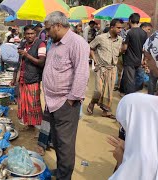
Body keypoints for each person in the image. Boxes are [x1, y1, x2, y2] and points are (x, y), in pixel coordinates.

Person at [42, 11, 90, 180]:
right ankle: (62, 171)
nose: (47, 33)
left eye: (48, 29)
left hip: (65, 103)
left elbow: (82, 73)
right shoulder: (55, 43)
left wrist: (70, 100)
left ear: (58, 26)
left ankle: (65, 176)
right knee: (57, 140)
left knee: (65, 144)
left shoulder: (77, 43)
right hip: (52, 101)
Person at [108, 93, 158, 180]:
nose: (122, 128)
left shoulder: (141, 159)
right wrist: (130, 148)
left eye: (123, 124)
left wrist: (120, 161)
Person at [87, 19, 123, 119]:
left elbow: (118, 52)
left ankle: (105, 111)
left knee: (109, 92)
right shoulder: (100, 38)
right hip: (101, 68)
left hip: (112, 69)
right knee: (98, 90)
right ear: (112, 27)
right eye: (118, 27)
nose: (120, 30)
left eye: (121, 28)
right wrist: (95, 61)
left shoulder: (120, 40)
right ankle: (92, 103)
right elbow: (90, 47)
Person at [12, 24, 46, 129]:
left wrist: (27, 55)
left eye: (32, 33)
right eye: (27, 34)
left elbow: (41, 62)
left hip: (33, 77)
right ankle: (29, 124)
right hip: (23, 77)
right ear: (24, 35)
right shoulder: (23, 44)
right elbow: (19, 62)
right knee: (24, 101)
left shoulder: (40, 44)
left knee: (33, 102)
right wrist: (14, 77)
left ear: (35, 34)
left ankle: (37, 125)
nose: (30, 36)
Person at [120, 13, 147, 95]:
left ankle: (130, 96)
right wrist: (144, 59)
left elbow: (125, 47)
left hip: (129, 60)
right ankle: (122, 90)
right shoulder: (144, 33)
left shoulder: (129, 32)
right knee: (134, 77)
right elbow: (144, 49)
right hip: (139, 59)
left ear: (130, 21)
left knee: (130, 80)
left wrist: (119, 52)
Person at [144, 30, 158, 95]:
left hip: (153, 64)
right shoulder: (155, 35)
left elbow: (145, 48)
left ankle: (150, 98)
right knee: (152, 81)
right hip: (153, 64)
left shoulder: (155, 34)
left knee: (152, 81)